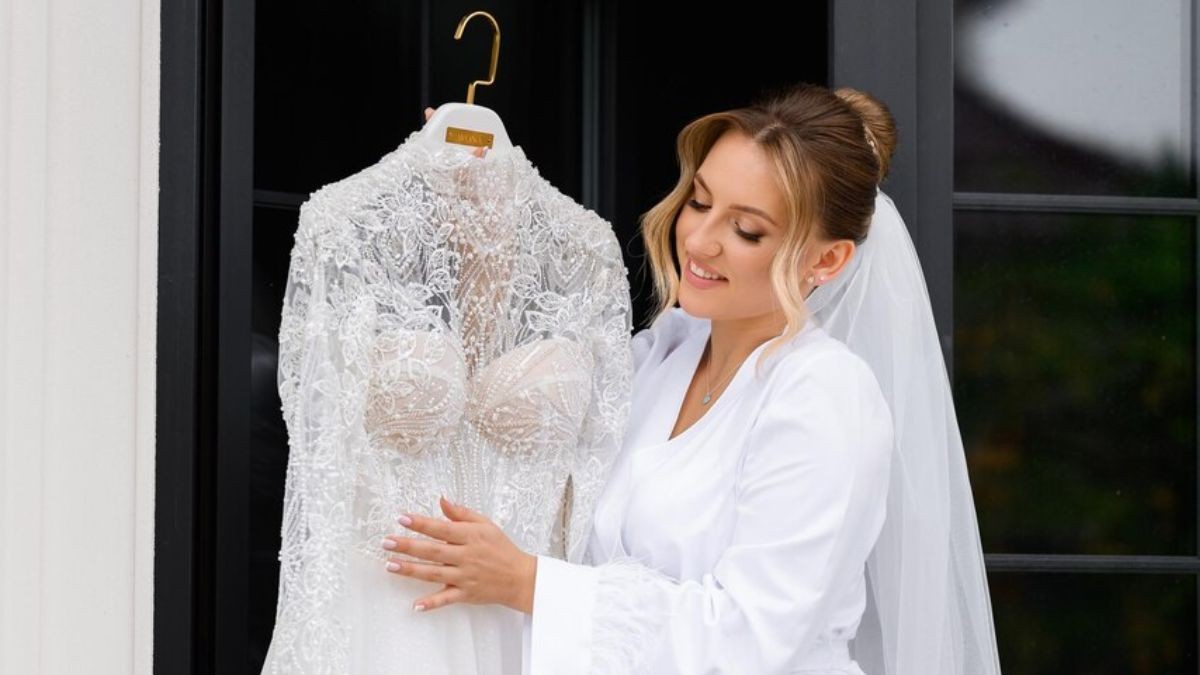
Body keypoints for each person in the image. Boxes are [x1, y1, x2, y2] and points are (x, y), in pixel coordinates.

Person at [387, 84, 1001, 674]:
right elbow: (509, 417)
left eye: (746, 230)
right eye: (700, 202)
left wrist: (530, 584)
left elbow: (748, 636)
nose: (700, 241)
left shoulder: (825, 398)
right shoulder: (664, 354)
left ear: (828, 260)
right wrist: (478, 217)